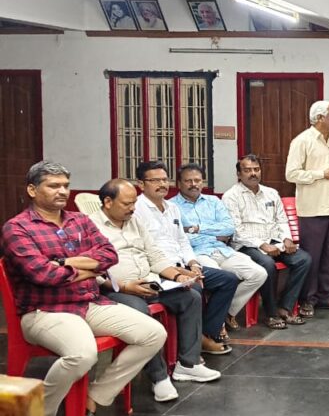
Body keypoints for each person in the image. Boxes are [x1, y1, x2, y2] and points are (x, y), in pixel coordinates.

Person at [1, 161, 165, 416]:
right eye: (53, 186)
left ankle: (96, 395)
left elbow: (109, 255)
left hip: (88, 303)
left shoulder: (79, 220)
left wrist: (61, 262)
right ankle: (38, 410)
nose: (62, 191)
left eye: (65, 185)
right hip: (45, 311)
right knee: (82, 355)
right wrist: (90, 268)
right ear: (32, 190)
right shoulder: (17, 228)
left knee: (153, 333)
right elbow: (43, 274)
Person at [89, 179, 221, 403]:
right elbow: (94, 271)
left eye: (134, 203)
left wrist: (178, 276)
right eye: (127, 204)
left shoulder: (135, 221)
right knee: (139, 311)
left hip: (150, 281)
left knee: (191, 297)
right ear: (108, 202)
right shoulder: (90, 226)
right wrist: (125, 286)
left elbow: (155, 255)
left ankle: (188, 364)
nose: (133, 208)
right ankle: (159, 377)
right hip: (116, 289)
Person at [132, 160, 239, 353]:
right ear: (141, 184)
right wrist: (179, 272)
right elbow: (146, 251)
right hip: (161, 270)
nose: (162, 184)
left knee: (227, 280)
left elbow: (182, 240)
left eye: (165, 180)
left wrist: (193, 263)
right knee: (194, 289)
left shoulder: (171, 208)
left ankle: (207, 333)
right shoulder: (136, 210)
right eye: (155, 180)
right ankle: (194, 344)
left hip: (183, 264)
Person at [170, 163, 267, 333]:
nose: (194, 184)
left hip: (222, 249)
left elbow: (229, 228)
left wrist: (196, 229)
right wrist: (213, 233)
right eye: (188, 181)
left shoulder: (213, 201)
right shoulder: (171, 206)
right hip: (196, 253)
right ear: (179, 183)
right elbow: (180, 238)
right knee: (222, 278)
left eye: (197, 180)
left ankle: (225, 313)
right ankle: (218, 324)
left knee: (258, 273)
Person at [222, 154, 312, 329]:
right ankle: (271, 314)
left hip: (273, 240)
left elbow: (281, 220)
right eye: (247, 170)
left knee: (303, 259)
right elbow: (236, 230)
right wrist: (262, 245)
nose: (253, 173)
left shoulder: (271, 193)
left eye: (256, 169)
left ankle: (285, 307)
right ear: (239, 174)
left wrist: (286, 238)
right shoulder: (231, 196)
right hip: (246, 245)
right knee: (267, 264)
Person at [285, 100, 329, 315]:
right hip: (312, 208)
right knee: (312, 257)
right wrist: (322, 174)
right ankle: (308, 300)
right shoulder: (302, 141)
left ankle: (326, 297)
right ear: (320, 118)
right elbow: (291, 174)